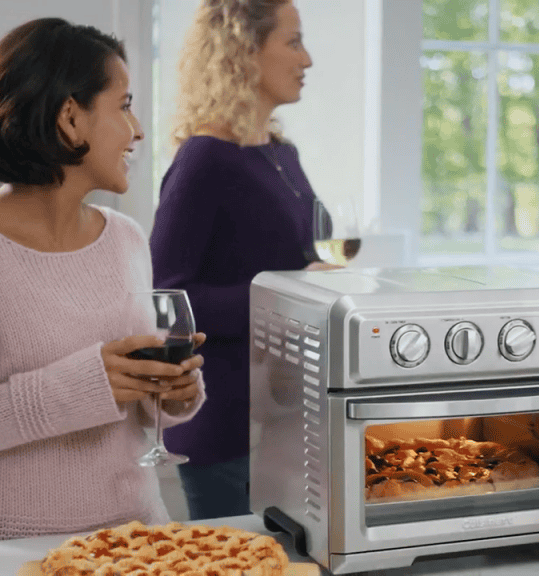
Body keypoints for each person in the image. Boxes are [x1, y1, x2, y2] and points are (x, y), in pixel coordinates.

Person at [0, 18, 206, 571]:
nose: (138, 129)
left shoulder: (125, 239)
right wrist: (74, 389)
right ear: (70, 116)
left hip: (139, 544)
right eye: (123, 105)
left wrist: (171, 398)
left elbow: (127, 400)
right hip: (7, 555)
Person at [150, 0, 338, 521]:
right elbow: (169, 301)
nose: (307, 59)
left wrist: (314, 285)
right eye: (293, 41)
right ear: (244, 50)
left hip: (288, 420)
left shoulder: (281, 154)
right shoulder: (203, 160)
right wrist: (291, 293)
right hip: (228, 430)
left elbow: (304, 258)